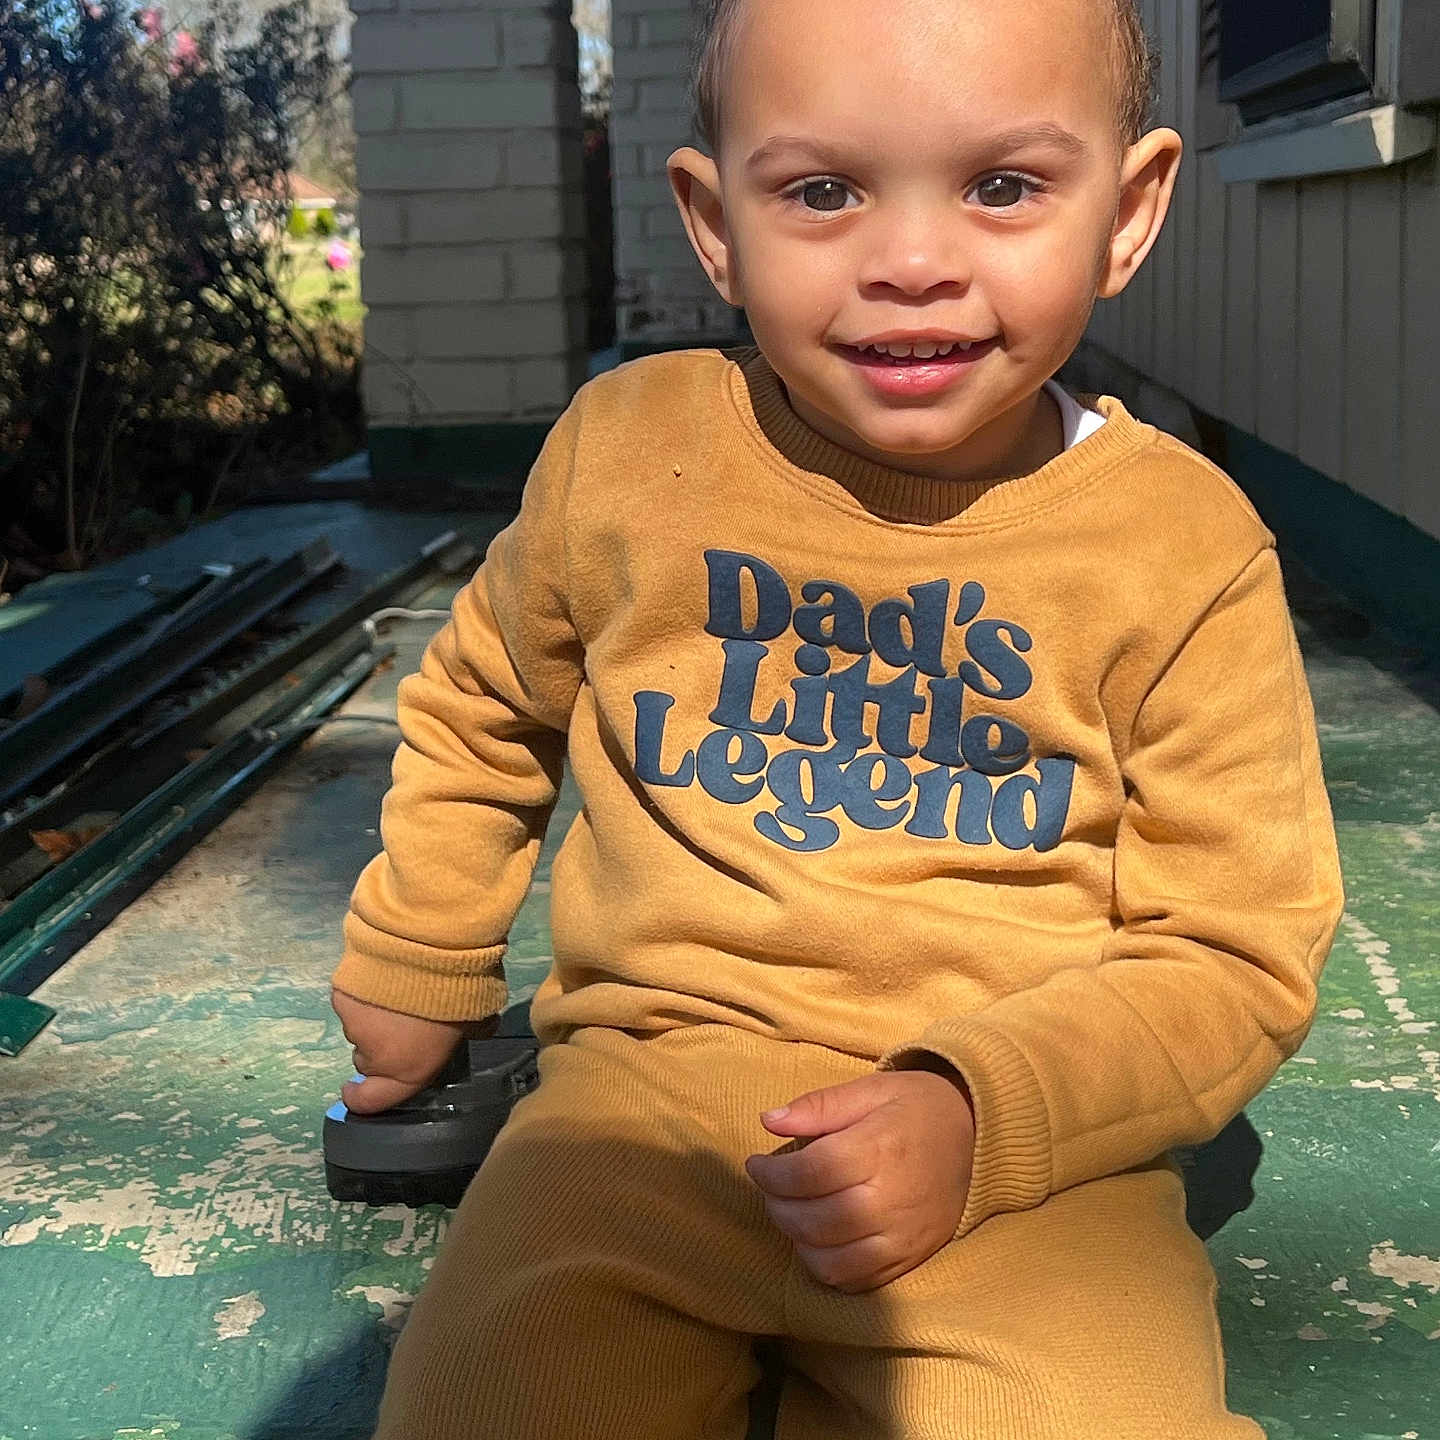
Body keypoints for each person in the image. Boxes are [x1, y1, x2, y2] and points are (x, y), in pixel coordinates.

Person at [330, 0, 1344, 1434]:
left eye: (1002, 186)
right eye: (822, 191)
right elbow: (491, 702)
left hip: (1026, 1169)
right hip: (637, 1112)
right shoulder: (631, 457)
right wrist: (421, 948)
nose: (914, 264)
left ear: (1129, 214)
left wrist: (987, 1115)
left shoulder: (1179, 549)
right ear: (713, 218)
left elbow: (1234, 946)